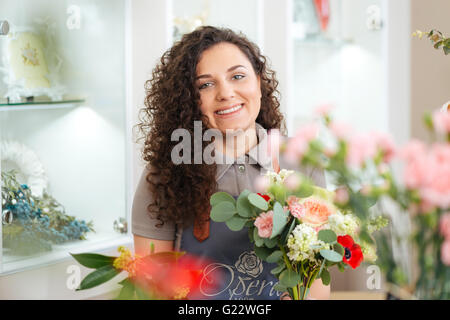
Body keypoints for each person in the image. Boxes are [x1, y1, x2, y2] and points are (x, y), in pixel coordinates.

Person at [132, 26, 330, 300]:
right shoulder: (164, 174)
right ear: (189, 99)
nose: (225, 93)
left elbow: (315, 283)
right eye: (205, 84)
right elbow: (151, 289)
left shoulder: (301, 159)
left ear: (258, 82)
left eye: (238, 76)